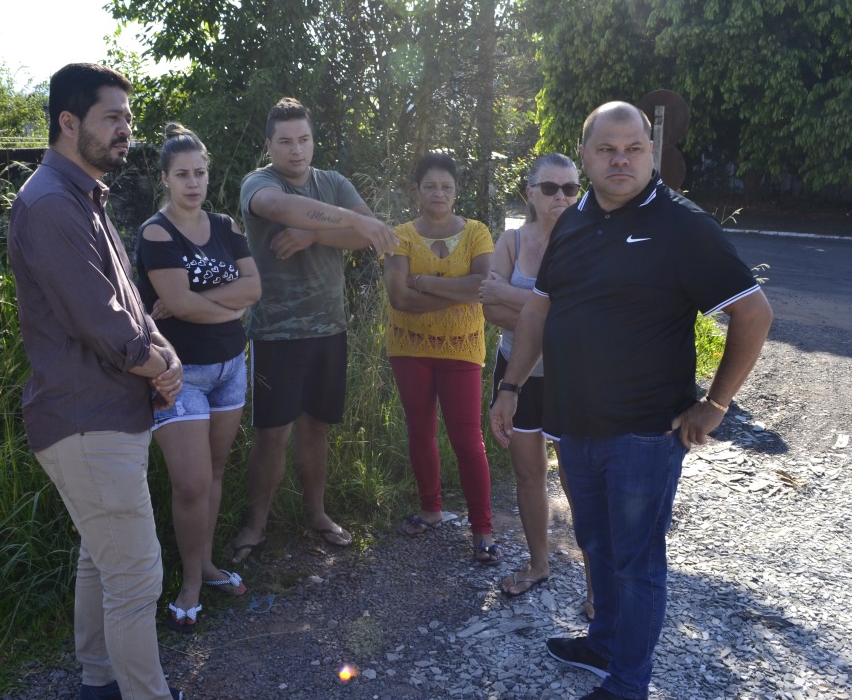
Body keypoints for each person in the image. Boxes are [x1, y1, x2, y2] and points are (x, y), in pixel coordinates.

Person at [489, 101, 773, 700]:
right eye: (606, 149)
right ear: (585, 154)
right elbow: (538, 309)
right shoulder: (574, 220)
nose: (620, 160)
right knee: (595, 540)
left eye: (633, 148)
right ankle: (606, 644)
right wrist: (510, 386)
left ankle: (627, 693)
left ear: (652, 152)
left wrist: (715, 404)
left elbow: (753, 314)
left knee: (636, 559)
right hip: (576, 421)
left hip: (646, 432)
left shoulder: (682, 226)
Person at [7, 63, 184, 700]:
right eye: (113, 118)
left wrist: (159, 352)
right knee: (136, 574)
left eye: (128, 120)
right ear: (69, 122)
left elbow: (127, 304)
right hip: (86, 420)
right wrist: (157, 364)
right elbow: (101, 320)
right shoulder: (52, 203)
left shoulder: (82, 194)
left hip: (102, 413)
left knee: (102, 557)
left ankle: (102, 687)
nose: (126, 132)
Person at [230, 97, 398, 563]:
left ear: (312, 141)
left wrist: (313, 233)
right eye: (285, 141)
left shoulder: (333, 183)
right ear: (269, 145)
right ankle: (256, 525)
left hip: (330, 328)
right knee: (272, 434)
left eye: (303, 139)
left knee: (317, 428)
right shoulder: (257, 183)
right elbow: (281, 207)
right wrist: (348, 221)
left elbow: (367, 236)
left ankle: (316, 513)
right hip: (275, 333)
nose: (296, 149)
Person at [135, 124, 261, 632]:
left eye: (200, 173)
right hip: (180, 374)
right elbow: (180, 304)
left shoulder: (227, 226)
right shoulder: (156, 233)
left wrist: (200, 306)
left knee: (213, 471)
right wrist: (224, 306)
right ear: (165, 178)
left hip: (233, 367)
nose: (193, 183)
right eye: (182, 174)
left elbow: (254, 288)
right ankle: (188, 581)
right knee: (190, 484)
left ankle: (206, 566)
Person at [480, 153, 594, 608]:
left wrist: (516, 299)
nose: (561, 197)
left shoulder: (588, 241)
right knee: (528, 476)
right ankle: (538, 564)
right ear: (530, 193)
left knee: (579, 481)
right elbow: (489, 308)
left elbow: (578, 314)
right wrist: (548, 311)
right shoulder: (510, 240)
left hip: (573, 380)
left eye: (570, 188)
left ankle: (594, 587)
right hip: (515, 375)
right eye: (550, 188)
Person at [383, 152, 498, 564]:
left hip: (463, 346)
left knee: (468, 440)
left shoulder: (476, 232)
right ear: (417, 191)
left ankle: (482, 530)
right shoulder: (400, 235)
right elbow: (398, 297)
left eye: (446, 187)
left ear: (456, 191)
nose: (438, 193)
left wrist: (424, 282)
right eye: (430, 185)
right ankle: (431, 510)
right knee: (420, 431)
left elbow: (482, 285)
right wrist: (454, 291)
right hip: (409, 347)